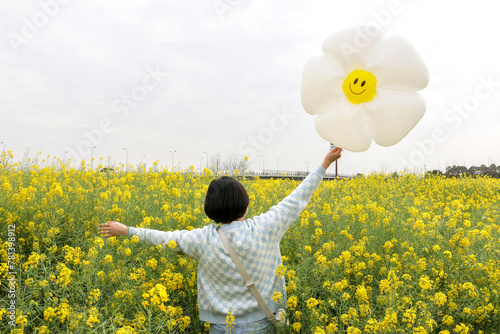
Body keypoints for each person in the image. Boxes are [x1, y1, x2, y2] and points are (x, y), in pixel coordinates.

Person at [98, 147, 342, 334]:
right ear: (245, 205)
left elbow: (163, 239)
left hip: (219, 327)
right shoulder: (266, 228)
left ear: (210, 209)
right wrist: (325, 163)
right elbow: (298, 197)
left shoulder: (200, 240)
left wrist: (127, 230)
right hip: (260, 323)